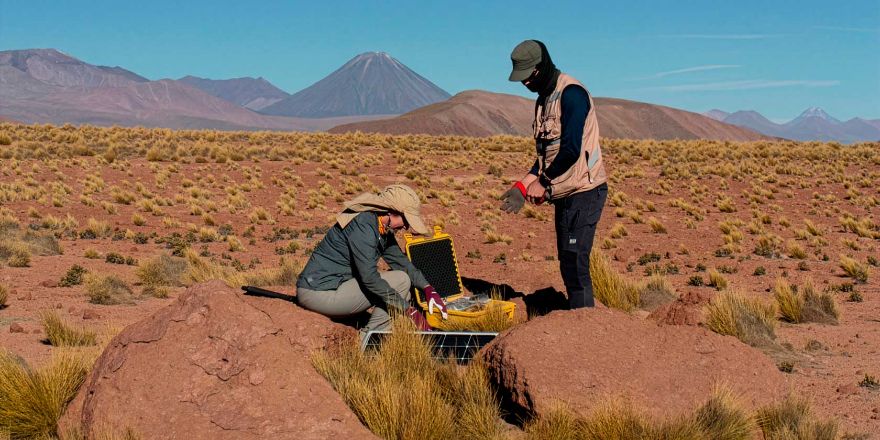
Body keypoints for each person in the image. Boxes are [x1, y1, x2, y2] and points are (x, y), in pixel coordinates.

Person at [500, 40, 609, 309]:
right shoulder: (543, 101)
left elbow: (571, 149)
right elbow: (546, 156)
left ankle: (585, 323)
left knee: (575, 259)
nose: (525, 83)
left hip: (585, 190)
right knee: (566, 259)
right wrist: (522, 186)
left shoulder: (571, 94)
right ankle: (576, 316)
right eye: (521, 79)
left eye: (528, 76)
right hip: (563, 192)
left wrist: (543, 182)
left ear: (542, 66)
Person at [296, 184, 448, 333]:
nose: (406, 227)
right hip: (318, 292)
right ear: (391, 211)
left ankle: (374, 336)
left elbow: (400, 262)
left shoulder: (381, 227)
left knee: (403, 286)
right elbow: (369, 278)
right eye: (406, 220)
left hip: (338, 286)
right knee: (400, 282)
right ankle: (369, 342)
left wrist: (428, 288)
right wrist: (409, 311)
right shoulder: (364, 226)